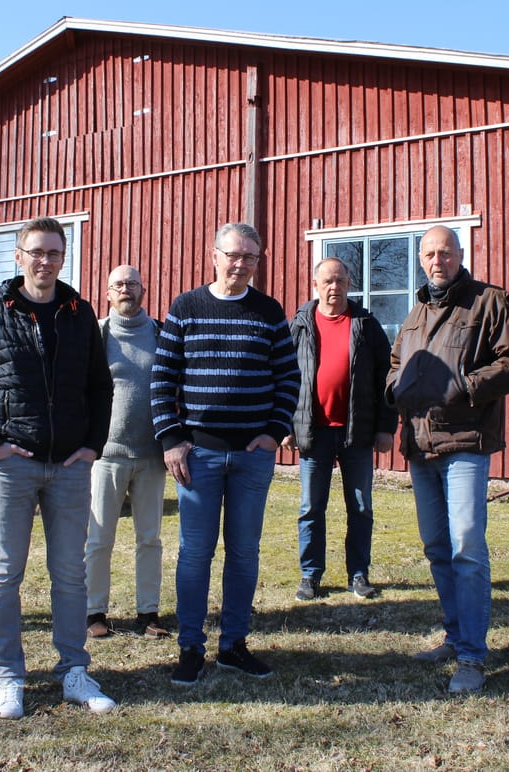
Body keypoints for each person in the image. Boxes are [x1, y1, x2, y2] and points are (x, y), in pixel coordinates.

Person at [0, 217, 116, 719]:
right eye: (36, 252)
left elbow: (100, 386)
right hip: (11, 464)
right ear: (18, 256)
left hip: (69, 465)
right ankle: (9, 676)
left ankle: (74, 671)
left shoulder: (78, 312)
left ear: (63, 258)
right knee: (5, 572)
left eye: (54, 253)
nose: (45, 261)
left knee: (70, 573)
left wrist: (92, 445)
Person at [152, 222, 300, 686]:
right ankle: (190, 647)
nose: (240, 265)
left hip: (252, 457)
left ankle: (234, 645)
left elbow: (288, 377)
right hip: (199, 456)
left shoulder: (268, 311)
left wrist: (274, 431)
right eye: (233, 255)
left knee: (243, 553)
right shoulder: (186, 307)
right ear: (214, 256)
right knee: (195, 553)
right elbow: (162, 378)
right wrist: (171, 438)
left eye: (250, 257)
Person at [386, 225, 509, 694]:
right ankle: (453, 637)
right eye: (429, 254)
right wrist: (395, 388)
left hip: (466, 442)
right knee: (436, 547)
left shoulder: (490, 302)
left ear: (461, 254)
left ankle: (472, 656)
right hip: (420, 444)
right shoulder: (415, 313)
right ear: (421, 259)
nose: (437, 261)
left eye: (445, 252)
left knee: (466, 546)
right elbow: (395, 365)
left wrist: (465, 387)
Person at [284, 257, 397, 602]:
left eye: (340, 280)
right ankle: (310, 574)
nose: (334, 287)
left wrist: (385, 427)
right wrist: (286, 425)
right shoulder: (299, 325)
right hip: (312, 431)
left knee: (360, 508)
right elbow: (284, 379)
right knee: (310, 508)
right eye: (328, 281)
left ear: (349, 283)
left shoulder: (366, 324)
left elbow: (386, 379)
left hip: (356, 432)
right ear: (315, 285)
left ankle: (358, 574)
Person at [84, 265, 171, 640]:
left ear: (143, 290)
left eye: (132, 283)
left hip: (152, 454)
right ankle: (93, 612)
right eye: (118, 284)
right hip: (107, 454)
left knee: (149, 538)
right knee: (99, 537)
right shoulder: (97, 335)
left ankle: (148, 613)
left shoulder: (161, 334)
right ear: (107, 293)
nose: (126, 289)